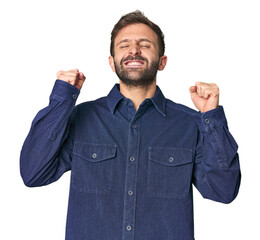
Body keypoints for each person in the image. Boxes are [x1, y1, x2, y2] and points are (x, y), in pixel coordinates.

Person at [20, 10, 241, 240]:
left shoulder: (190, 123)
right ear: (112, 63)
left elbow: (224, 191)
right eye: (124, 45)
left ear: (162, 62)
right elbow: (34, 174)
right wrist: (62, 99)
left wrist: (212, 118)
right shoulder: (82, 117)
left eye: (145, 45)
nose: (133, 50)